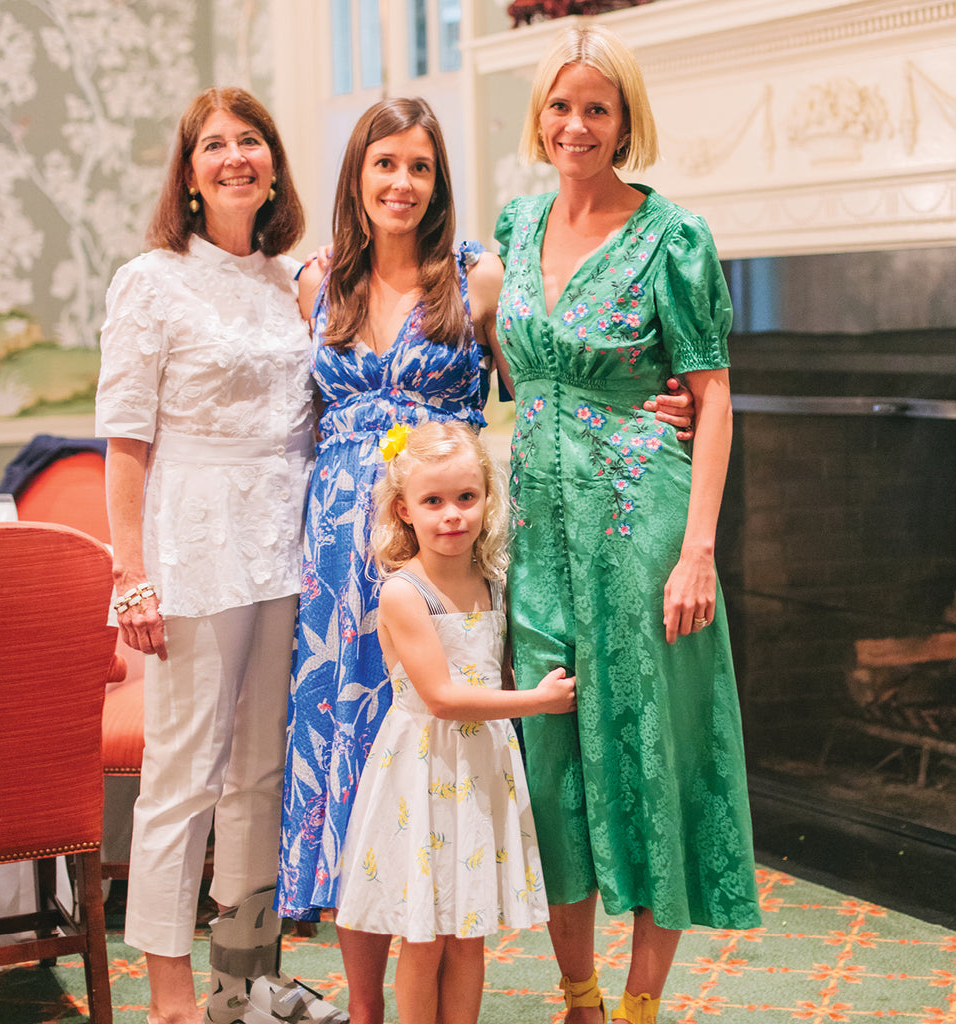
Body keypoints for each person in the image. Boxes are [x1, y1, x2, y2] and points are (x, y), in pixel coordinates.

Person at [275, 97, 696, 1024]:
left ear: (440, 182)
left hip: (446, 558)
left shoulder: (478, 279)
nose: (401, 182)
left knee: (431, 773)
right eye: (384, 163)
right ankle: (366, 1007)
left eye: (420, 166)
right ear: (357, 176)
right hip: (339, 569)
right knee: (351, 773)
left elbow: (545, 378)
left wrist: (669, 403)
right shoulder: (315, 284)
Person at [493, 24, 762, 1024]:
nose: (576, 124)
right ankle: (580, 995)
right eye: (561, 105)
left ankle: (640, 1005)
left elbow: (713, 392)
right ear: (541, 115)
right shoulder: (514, 227)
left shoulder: (672, 235)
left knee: (654, 749)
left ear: (624, 121)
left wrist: (698, 552)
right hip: (535, 541)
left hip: (641, 532)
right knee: (552, 757)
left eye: (596, 108)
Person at [96, 87, 343, 1024]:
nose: (234, 155)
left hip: (289, 539)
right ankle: (169, 998)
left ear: (274, 165)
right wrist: (131, 575)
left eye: (251, 141)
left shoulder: (295, 280)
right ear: (189, 175)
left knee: (261, 772)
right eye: (213, 145)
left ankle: (243, 982)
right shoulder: (151, 279)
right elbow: (124, 438)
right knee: (184, 774)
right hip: (195, 540)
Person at [334, 419, 576, 1024]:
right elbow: (442, 697)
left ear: (487, 499)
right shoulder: (403, 594)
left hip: (480, 774)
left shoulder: (494, 584)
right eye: (433, 501)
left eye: (466, 498)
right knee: (425, 936)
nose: (452, 516)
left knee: (468, 933)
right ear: (403, 509)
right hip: (424, 771)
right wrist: (537, 702)